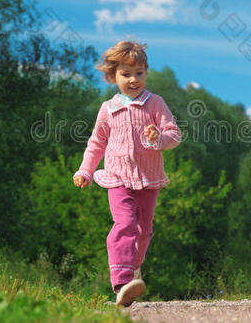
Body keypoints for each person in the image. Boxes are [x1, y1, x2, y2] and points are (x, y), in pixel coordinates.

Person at [72, 41, 181, 307]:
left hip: (148, 179)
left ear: (146, 72)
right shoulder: (108, 109)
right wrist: (85, 170)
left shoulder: (155, 103)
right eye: (126, 74)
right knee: (124, 226)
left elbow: (174, 135)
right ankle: (121, 282)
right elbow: (96, 143)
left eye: (139, 73)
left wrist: (159, 138)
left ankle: (133, 269)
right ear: (113, 76)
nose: (133, 80)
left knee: (143, 232)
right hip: (118, 178)